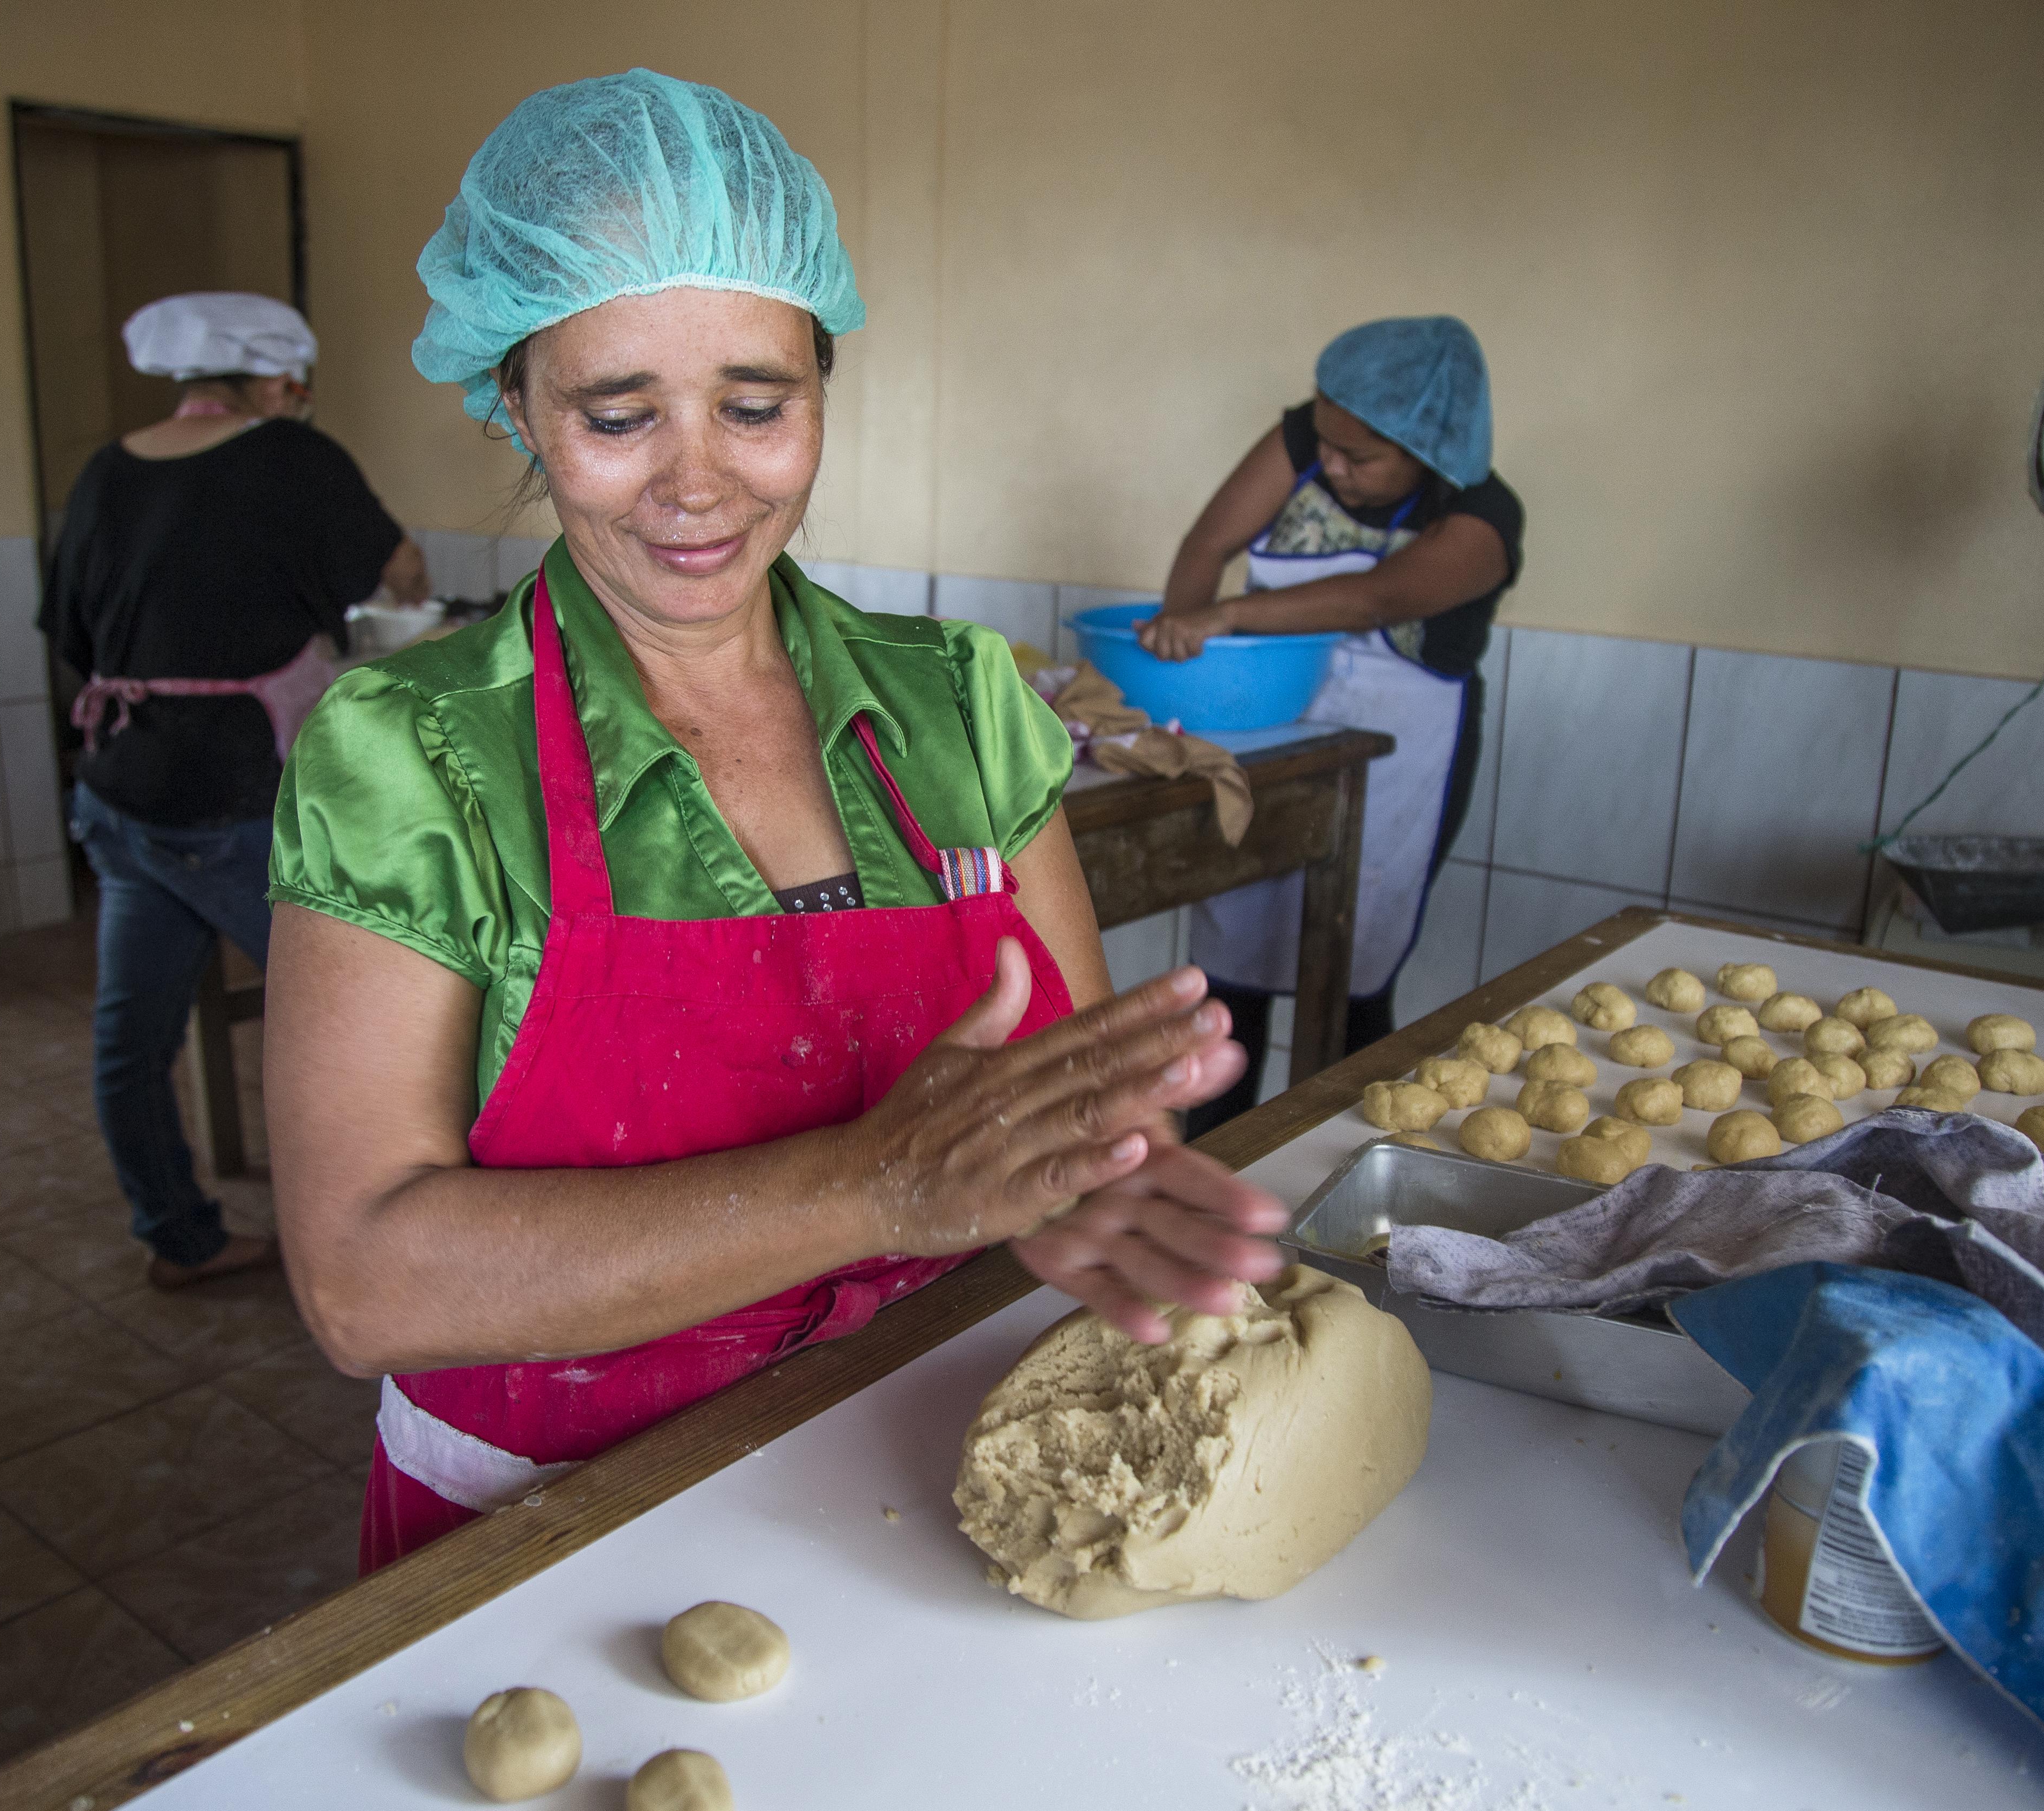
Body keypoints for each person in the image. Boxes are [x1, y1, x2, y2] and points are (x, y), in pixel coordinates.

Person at [261, 71, 1286, 1572]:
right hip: (537, 1542)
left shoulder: (958, 703)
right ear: (516, 406)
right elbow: (362, 1281)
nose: (698, 484)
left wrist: (1090, 1184)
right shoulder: (414, 755)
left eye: (758, 405)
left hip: (928, 1485)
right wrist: (878, 1186)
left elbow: (1067, 1111)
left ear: (821, 387)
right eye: (618, 415)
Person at [39, 290, 428, 1290]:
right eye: (296, 388)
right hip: (232, 798)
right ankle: (387, 1249)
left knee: (133, 1037)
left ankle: (179, 1236)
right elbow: (402, 576)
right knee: (360, 1025)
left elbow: (73, 637)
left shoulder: (105, 471)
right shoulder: (291, 457)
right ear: (277, 382)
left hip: (120, 796)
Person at [1144, 318, 1525, 1135]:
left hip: (1400, 756)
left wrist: (1228, 616)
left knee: (1352, 970)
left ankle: (1336, 1171)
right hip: (1268, 727)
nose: (1333, 467)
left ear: (1430, 451)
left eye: (1361, 458)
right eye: (1328, 444)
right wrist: (1186, 642)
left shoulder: (1485, 517)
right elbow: (1208, 542)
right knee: (1229, 972)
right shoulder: (1307, 438)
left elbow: (1378, 598)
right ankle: (1214, 1168)